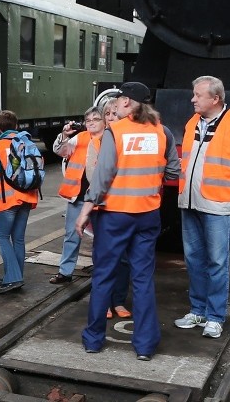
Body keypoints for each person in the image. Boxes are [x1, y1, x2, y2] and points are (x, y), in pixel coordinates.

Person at [75, 82, 180, 361]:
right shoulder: (163, 132)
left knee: (104, 276)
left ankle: (94, 340)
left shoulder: (116, 132)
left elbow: (103, 174)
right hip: (147, 215)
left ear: (125, 102)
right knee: (143, 279)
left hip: (115, 216)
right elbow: (173, 172)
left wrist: (86, 208)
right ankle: (145, 346)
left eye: (120, 98)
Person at [175, 75, 230, 340]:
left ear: (215, 98)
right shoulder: (193, 123)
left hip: (218, 205)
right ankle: (198, 310)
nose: (192, 99)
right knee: (194, 260)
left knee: (217, 262)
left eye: (198, 95)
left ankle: (214, 317)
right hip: (189, 202)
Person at [49, 106, 105, 286]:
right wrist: (65, 135)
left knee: (102, 237)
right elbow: (60, 150)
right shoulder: (80, 138)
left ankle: (101, 271)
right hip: (78, 196)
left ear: (103, 121)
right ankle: (65, 272)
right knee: (71, 234)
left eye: (95, 119)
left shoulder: (110, 139)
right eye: (88, 121)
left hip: (102, 199)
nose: (91, 123)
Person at [0, 110, 39, 293]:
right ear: (16, 126)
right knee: (18, 239)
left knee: (2, 237)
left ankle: (14, 277)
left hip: (8, 199)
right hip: (27, 196)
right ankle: (16, 276)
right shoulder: (27, 142)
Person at [102, 97, 132, 321]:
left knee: (123, 259)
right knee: (105, 257)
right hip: (104, 206)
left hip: (125, 205)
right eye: (108, 114)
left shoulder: (127, 138)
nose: (111, 118)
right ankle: (104, 302)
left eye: (115, 114)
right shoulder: (99, 139)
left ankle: (118, 300)